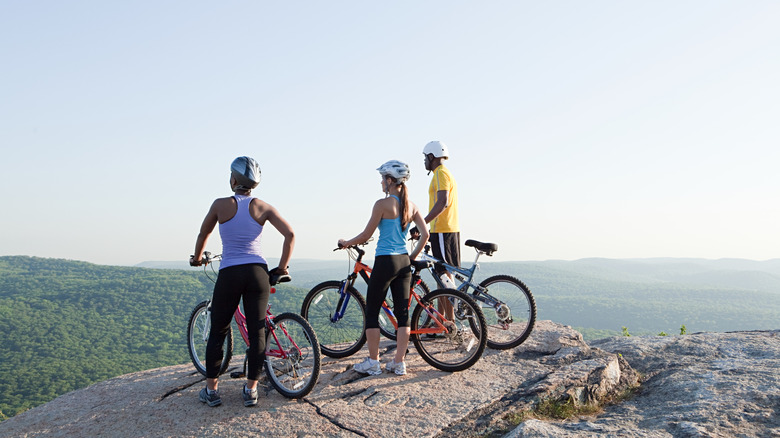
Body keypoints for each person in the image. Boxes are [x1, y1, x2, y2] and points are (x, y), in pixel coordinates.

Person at [190, 156, 295, 407]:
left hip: (230, 273)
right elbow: (290, 234)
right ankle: (251, 391)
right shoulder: (263, 207)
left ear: (234, 179)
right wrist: (281, 267)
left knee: (218, 331)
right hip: (257, 272)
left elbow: (204, 232)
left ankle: (212, 391)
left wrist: (196, 258)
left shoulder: (220, 205)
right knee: (257, 330)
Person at [338, 160, 429, 376]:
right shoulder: (412, 205)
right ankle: (399, 362)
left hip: (385, 261)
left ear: (390, 180)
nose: (380, 182)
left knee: (372, 312)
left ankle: (373, 362)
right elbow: (425, 235)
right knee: (403, 314)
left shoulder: (382, 204)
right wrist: (410, 257)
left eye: (382, 178)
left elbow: (366, 235)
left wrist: (346, 242)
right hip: (403, 263)